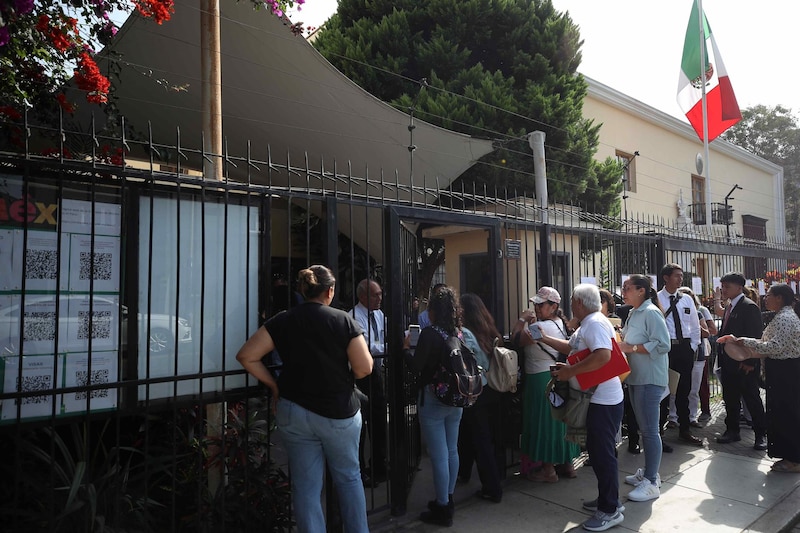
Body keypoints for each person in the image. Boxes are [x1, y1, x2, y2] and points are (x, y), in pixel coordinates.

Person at [235, 265, 373, 533]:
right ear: (330, 291)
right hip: (338, 412)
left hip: (294, 410)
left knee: (306, 488)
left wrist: (274, 386)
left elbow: (247, 356)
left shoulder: (282, 320)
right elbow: (364, 368)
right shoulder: (343, 320)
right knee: (348, 478)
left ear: (302, 289)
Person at [540, 284, 625, 532]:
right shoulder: (589, 323)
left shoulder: (594, 323)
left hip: (602, 401)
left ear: (578, 302)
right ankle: (609, 500)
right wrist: (545, 340)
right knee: (600, 455)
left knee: (602, 455)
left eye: (571, 300)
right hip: (597, 400)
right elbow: (573, 348)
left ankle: (610, 510)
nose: (570, 304)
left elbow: (603, 356)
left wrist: (571, 371)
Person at [718, 283, 800, 473]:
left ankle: (794, 459)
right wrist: (739, 342)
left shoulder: (786, 318)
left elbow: (774, 346)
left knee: (787, 414)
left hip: (786, 373)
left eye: (769, 295)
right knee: (780, 413)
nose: (765, 298)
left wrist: (743, 342)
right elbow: (767, 344)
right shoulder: (781, 316)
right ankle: (788, 456)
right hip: (780, 371)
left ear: (779, 298)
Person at [402, 286, 464, 527]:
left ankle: (442, 507)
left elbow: (416, 367)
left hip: (433, 399)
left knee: (438, 456)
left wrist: (406, 349)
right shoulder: (457, 333)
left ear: (434, 311)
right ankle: (447, 498)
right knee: (451, 450)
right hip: (456, 399)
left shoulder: (429, 334)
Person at [511, 286, 579, 483]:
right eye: (536, 304)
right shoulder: (560, 325)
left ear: (554, 306)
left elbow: (516, 339)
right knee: (559, 421)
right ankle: (567, 464)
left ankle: (548, 470)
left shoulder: (540, 328)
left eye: (541, 304)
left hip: (540, 378)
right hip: (557, 375)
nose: (537, 308)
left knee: (544, 422)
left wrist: (522, 319)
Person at [617, 275, 670, 503]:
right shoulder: (634, 312)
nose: (623, 291)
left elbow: (663, 343)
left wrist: (631, 347)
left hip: (650, 379)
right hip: (637, 378)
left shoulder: (650, 312)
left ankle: (650, 481)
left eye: (627, 288)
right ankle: (649, 473)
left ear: (641, 290)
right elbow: (627, 340)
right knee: (644, 429)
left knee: (649, 431)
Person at [458, 293, 504, 503]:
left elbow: (467, 359)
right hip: (492, 388)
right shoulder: (488, 327)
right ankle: (467, 472)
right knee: (482, 436)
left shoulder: (466, 333)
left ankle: (492, 488)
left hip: (477, 389)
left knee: (480, 440)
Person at [714, 272, 767, 450]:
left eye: (727, 286)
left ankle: (761, 434)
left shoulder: (748, 307)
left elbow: (755, 335)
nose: (723, 290)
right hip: (729, 361)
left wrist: (750, 362)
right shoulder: (730, 306)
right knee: (730, 398)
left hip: (745, 363)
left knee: (752, 399)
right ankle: (732, 430)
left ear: (739, 287)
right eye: (723, 286)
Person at [656, 263, 703, 446]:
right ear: (666, 278)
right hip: (666, 350)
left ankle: (685, 430)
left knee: (684, 390)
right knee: (663, 392)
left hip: (684, 349)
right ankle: (659, 433)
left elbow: (694, 325)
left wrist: (692, 346)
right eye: (676, 275)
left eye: (681, 276)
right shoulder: (657, 298)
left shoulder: (686, 299)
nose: (680, 279)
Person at [349, 279, 388, 485]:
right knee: (360, 425)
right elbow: (366, 348)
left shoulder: (379, 315)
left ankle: (379, 465)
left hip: (377, 373)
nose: (379, 298)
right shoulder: (355, 316)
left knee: (379, 421)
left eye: (380, 294)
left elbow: (384, 340)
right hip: (360, 376)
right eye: (375, 295)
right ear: (362, 296)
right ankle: (360, 470)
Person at [676, 287, 716, 426]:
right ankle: (673, 417)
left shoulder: (699, 313)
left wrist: (691, 326)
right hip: (679, 353)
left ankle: (693, 416)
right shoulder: (672, 312)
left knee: (694, 387)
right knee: (676, 387)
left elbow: (708, 332)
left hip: (697, 354)